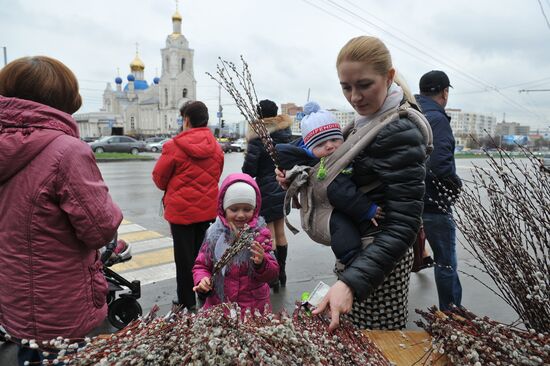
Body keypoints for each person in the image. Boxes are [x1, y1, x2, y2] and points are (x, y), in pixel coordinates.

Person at [278, 36, 428, 331]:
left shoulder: (397, 130)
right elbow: (336, 175)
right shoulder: (365, 123)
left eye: (364, 85)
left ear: (389, 77)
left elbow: (404, 224)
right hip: (364, 259)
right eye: (346, 87)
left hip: (378, 265)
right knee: (359, 344)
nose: (355, 97)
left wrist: (351, 282)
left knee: (376, 346)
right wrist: (297, 182)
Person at [0, 56, 123, 365]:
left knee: (28, 355)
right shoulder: (66, 151)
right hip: (59, 304)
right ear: (63, 99)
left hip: (13, 297)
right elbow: (101, 228)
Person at [276, 101, 383, 266]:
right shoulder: (323, 165)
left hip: (330, 208)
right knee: (344, 231)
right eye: (320, 144)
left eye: (334, 139)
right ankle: (351, 258)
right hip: (327, 213)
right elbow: (339, 190)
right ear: (309, 148)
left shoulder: (336, 156)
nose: (329, 146)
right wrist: (367, 209)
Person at [152, 101, 224, 312]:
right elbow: (215, 176)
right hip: (206, 212)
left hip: (181, 214)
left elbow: (159, 179)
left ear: (186, 119)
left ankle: (186, 300)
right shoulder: (216, 148)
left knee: (184, 260)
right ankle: (204, 292)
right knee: (204, 256)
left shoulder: (173, 147)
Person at [192, 173, 279, 313]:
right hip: (219, 307)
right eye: (234, 209)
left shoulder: (260, 234)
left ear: (255, 209)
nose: (240, 215)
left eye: (247, 209)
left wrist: (261, 263)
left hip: (253, 308)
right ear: (224, 209)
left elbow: (273, 275)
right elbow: (202, 265)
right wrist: (202, 280)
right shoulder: (214, 234)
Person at [415, 70, 462, 311]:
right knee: (445, 262)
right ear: (444, 92)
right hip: (434, 202)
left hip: (409, 199)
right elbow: (439, 164)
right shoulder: (438, 118)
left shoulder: (412, 112)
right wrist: (455, 187)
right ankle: (452, 314)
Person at [242, 99, 292, 290]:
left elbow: (249, 170)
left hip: (265, 188)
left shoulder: (258, 137)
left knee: (268, 234)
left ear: (258, 115)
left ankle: (273, 276)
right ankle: (282, 273)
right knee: (280, 231)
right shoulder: (285, 134)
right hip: (283, 186)